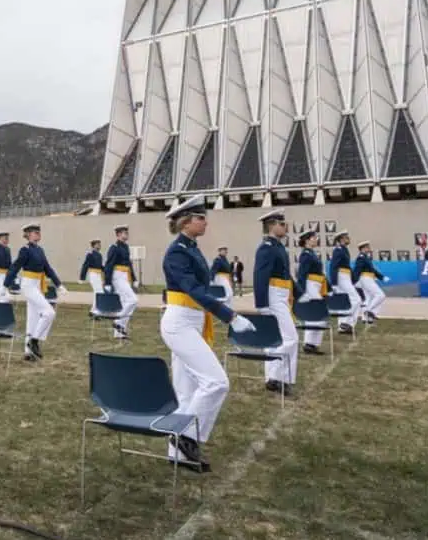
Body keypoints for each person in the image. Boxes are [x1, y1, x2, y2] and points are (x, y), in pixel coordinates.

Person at [160, 198, 255, 471]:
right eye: (201, 217)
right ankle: (186, 437)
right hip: (180, 323)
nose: (206, 222)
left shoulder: (190, 247)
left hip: (192, 320)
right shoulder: (177, 251)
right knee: (216, 382)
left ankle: (178, 455)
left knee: (187, 392)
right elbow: (195, 290)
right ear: (187, 221)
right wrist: (230, 316)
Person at [254, 210, 301, 396]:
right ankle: (278, 377)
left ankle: (274, 379)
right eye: (282, 224)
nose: (285, 226)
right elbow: (260, 276)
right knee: (290, 338)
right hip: (273, 296)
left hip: (281, 293)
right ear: (272, 225)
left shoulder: (278, 246)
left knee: (277, 340)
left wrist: (298, 292)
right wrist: (262, 304)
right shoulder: (266, 247)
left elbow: (286, 274)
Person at [5, 222, 66, 361]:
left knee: (32, 319)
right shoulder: (25, 250)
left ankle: (28, 353)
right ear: (28, 235)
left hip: (37, 284)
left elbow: (48, 268)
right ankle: (34, 341)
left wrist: (59, 284)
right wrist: (5, 285)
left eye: (39, 231)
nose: (38, 234)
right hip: (28, 284)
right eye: (35, 232)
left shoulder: (40, 250)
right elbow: (15, 267)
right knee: (49, 312)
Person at [295, 230, 327, 355]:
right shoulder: (306, 255)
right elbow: (302, 275)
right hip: (310, 286)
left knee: (318, 316)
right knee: (316, 315)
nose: (316, 239)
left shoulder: (311, 253)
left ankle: (312, 344)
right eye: (314, 238)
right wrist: (302, 292)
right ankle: (309, 344)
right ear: (307, 240)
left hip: (316, 285)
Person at [103, 224, 138, 339]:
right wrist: (107, 282)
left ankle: (119, 332)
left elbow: (129, 264)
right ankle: (118, 321)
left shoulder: (126, 247)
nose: (127, 234)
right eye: (124, 232)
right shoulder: (114, 247)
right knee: (133, 300)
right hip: (117, 276)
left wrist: (134, 278)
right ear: (118, 234)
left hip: (125, 275)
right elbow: (108, 265)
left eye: (127, 232)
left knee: (125, 303)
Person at [328, 231, 362, 334]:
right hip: (341, 276)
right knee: (356, 299)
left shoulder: (344, 250)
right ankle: (347, 323)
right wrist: (334, 283)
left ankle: (343, 327)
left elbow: (348, 267)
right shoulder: (338, 250)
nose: (348, 238)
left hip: (345, 276)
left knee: (344, 302)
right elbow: (333, 267)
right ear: (341, 239)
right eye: (346, 237)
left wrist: (354, 280)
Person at [354, 241, 387, 324]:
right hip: (365, 279)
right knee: (380, 295)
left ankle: (366, 318)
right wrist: (354, 280)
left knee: (368, 298)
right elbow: (357, 270)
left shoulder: (366, 257)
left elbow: (373, 270)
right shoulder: (361, 257)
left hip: (368, 278)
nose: (369, 248)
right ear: (363, 248)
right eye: (367, 247)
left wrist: (382, 277)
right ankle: (369, 311)